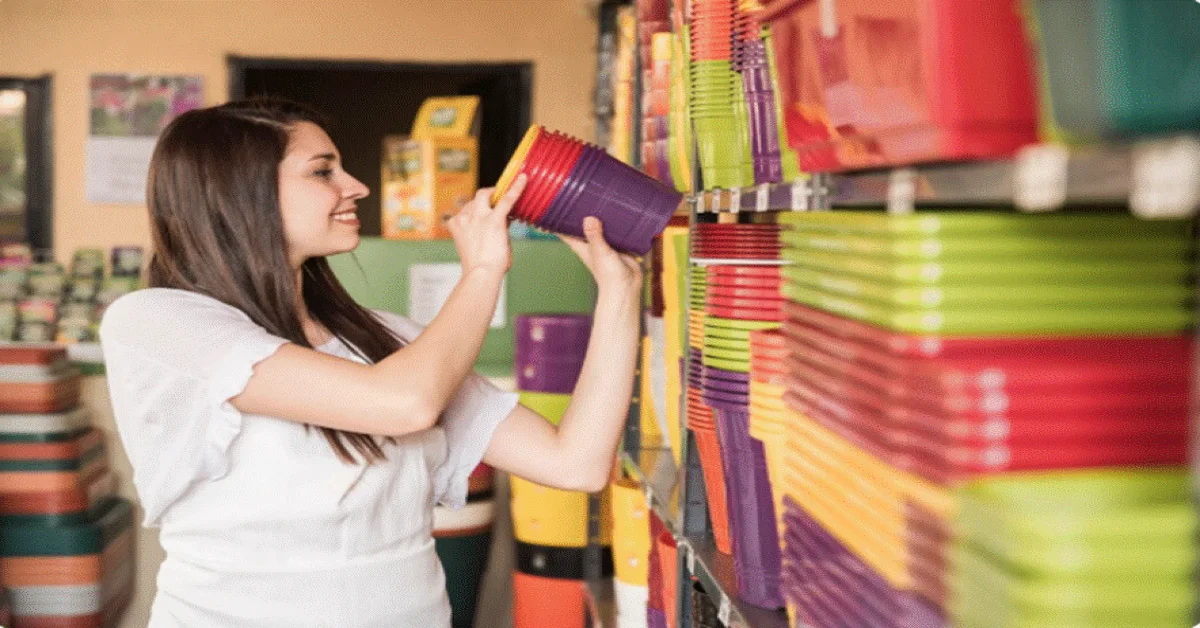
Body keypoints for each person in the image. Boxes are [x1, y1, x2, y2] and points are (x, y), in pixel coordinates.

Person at [99, 98, 642, 628]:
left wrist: (619, 291)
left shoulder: (385, 338)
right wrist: (481, 272)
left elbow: (576, 463)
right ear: (237, 193)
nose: (356, 187)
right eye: (322, 171)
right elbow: (402, 405)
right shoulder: (156, 324)